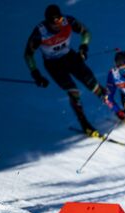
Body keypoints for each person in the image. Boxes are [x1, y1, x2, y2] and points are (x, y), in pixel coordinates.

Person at [24, 4, 106, 136]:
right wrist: (36, 74)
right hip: (53, 65)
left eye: (60, 20)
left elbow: (85, 32)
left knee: (92, 84)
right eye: (54, 23)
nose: (58, 25)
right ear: (48, 22)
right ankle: (85, 125)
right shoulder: (40, 33)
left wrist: (84, 46)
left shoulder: (68, 21)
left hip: (70, 56)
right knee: (74, 91)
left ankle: (118, 110)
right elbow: (28, 54)